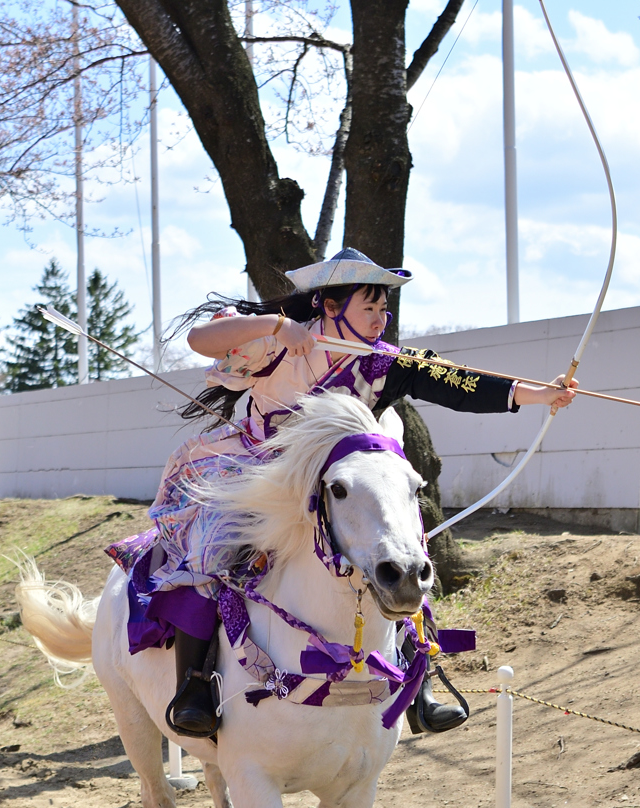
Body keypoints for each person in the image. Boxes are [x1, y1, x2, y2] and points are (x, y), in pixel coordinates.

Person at [107, 248, 576, 739]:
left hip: (340, 482)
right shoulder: (281, 340)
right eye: (369, 307)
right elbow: (201, 339)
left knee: (403, 544)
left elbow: (458, 384)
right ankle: (196, 685)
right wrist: (271, 325)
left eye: (384, 309)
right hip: (263, 471)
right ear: (331, 306)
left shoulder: (383, 363)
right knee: (211, 545)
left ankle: (421, 681)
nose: (381, 319)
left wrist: (538, 394)